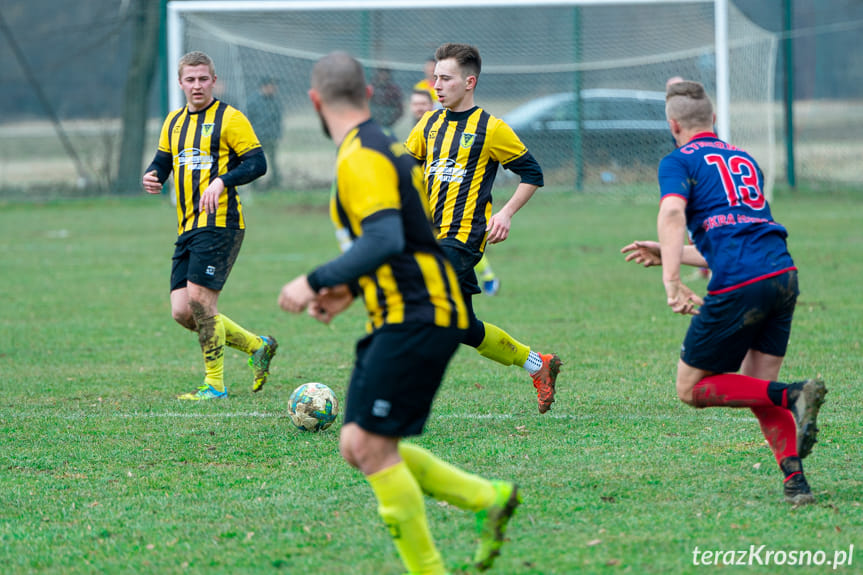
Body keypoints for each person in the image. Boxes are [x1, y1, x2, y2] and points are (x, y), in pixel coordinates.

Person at [278, 51, 520, 574]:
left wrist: (316, 280)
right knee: (355, 444)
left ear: (315, 102)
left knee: (370, 447)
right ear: (368, 96)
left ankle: (438, 558)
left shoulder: (362, 156)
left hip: (419, 313)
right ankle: (487, 497)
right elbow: (404, 240)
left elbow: (385, 238)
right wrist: (348, 293)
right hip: (404, 310)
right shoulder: (381, 148)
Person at [620, 80, 827, 505]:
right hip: (782, 275)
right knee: (755, 387)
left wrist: (671, 279)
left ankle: (794, 393)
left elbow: (673, 211)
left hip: (740, 282)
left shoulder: (677, 161)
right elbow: (736, 235)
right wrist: (670, 253)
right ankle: (796, 483)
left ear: (672, 124)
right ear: (713, 120)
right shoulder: (744, 159)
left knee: (691, 389)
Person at [404, 43, 561, 413]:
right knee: (463, 326)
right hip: (427, 236)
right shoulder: (428, 123)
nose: (437, 86)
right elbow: (404, 167)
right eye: (435, 78)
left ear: (469, 82)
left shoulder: (492, 128)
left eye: (445, 79)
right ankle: (539, 364)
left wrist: (504, 213)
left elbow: (532, 174)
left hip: (461, 238)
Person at [142, 51, 278, 400]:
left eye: (204, 78)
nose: (197, 85)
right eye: (191, 79)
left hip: (221, 223)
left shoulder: (230, 119)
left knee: (201, 303)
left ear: (214, 80)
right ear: (180, 83)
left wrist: (222, 181)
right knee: (182, 312)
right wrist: (153, 175)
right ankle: (257, 346)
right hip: (187, 225)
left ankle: (214, 385)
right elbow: (162, 161)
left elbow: (257, 163)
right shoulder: (173, 122)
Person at [409, 87, 501, 297]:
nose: (418, 108)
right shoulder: (422, 128)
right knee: (468, 324)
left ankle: (488, 276)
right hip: (425, 205)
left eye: (422, 104)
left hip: (455, 209)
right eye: (414, 104)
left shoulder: (458, 127)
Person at [246, 76, 283, 190]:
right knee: (256, 162)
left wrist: (278, 134)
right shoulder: (252, 101)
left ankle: (275, 185)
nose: (274, 88)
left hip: (271, 137)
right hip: (257, 138)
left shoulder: (275, 101)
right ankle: (255, 186)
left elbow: (278, 119)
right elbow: (248, 119)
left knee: (273, 162)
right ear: (264, 86)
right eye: (272, 86)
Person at [369, 68, 403, 135]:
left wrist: (392, 120)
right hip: (373, 119)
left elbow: (400, 107)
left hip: (388, 121)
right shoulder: (373, 87)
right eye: (381, 72)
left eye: (386, 73)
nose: (383, 75)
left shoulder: (394, 89)